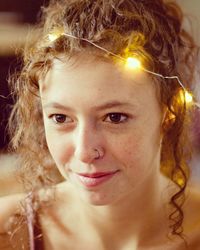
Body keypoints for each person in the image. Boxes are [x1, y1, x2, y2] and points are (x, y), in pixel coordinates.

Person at [0, 0, 200, 249]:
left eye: (115, 117)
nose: (84, 151)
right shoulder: (7, 232)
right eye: (60, 118)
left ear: (169, 112)